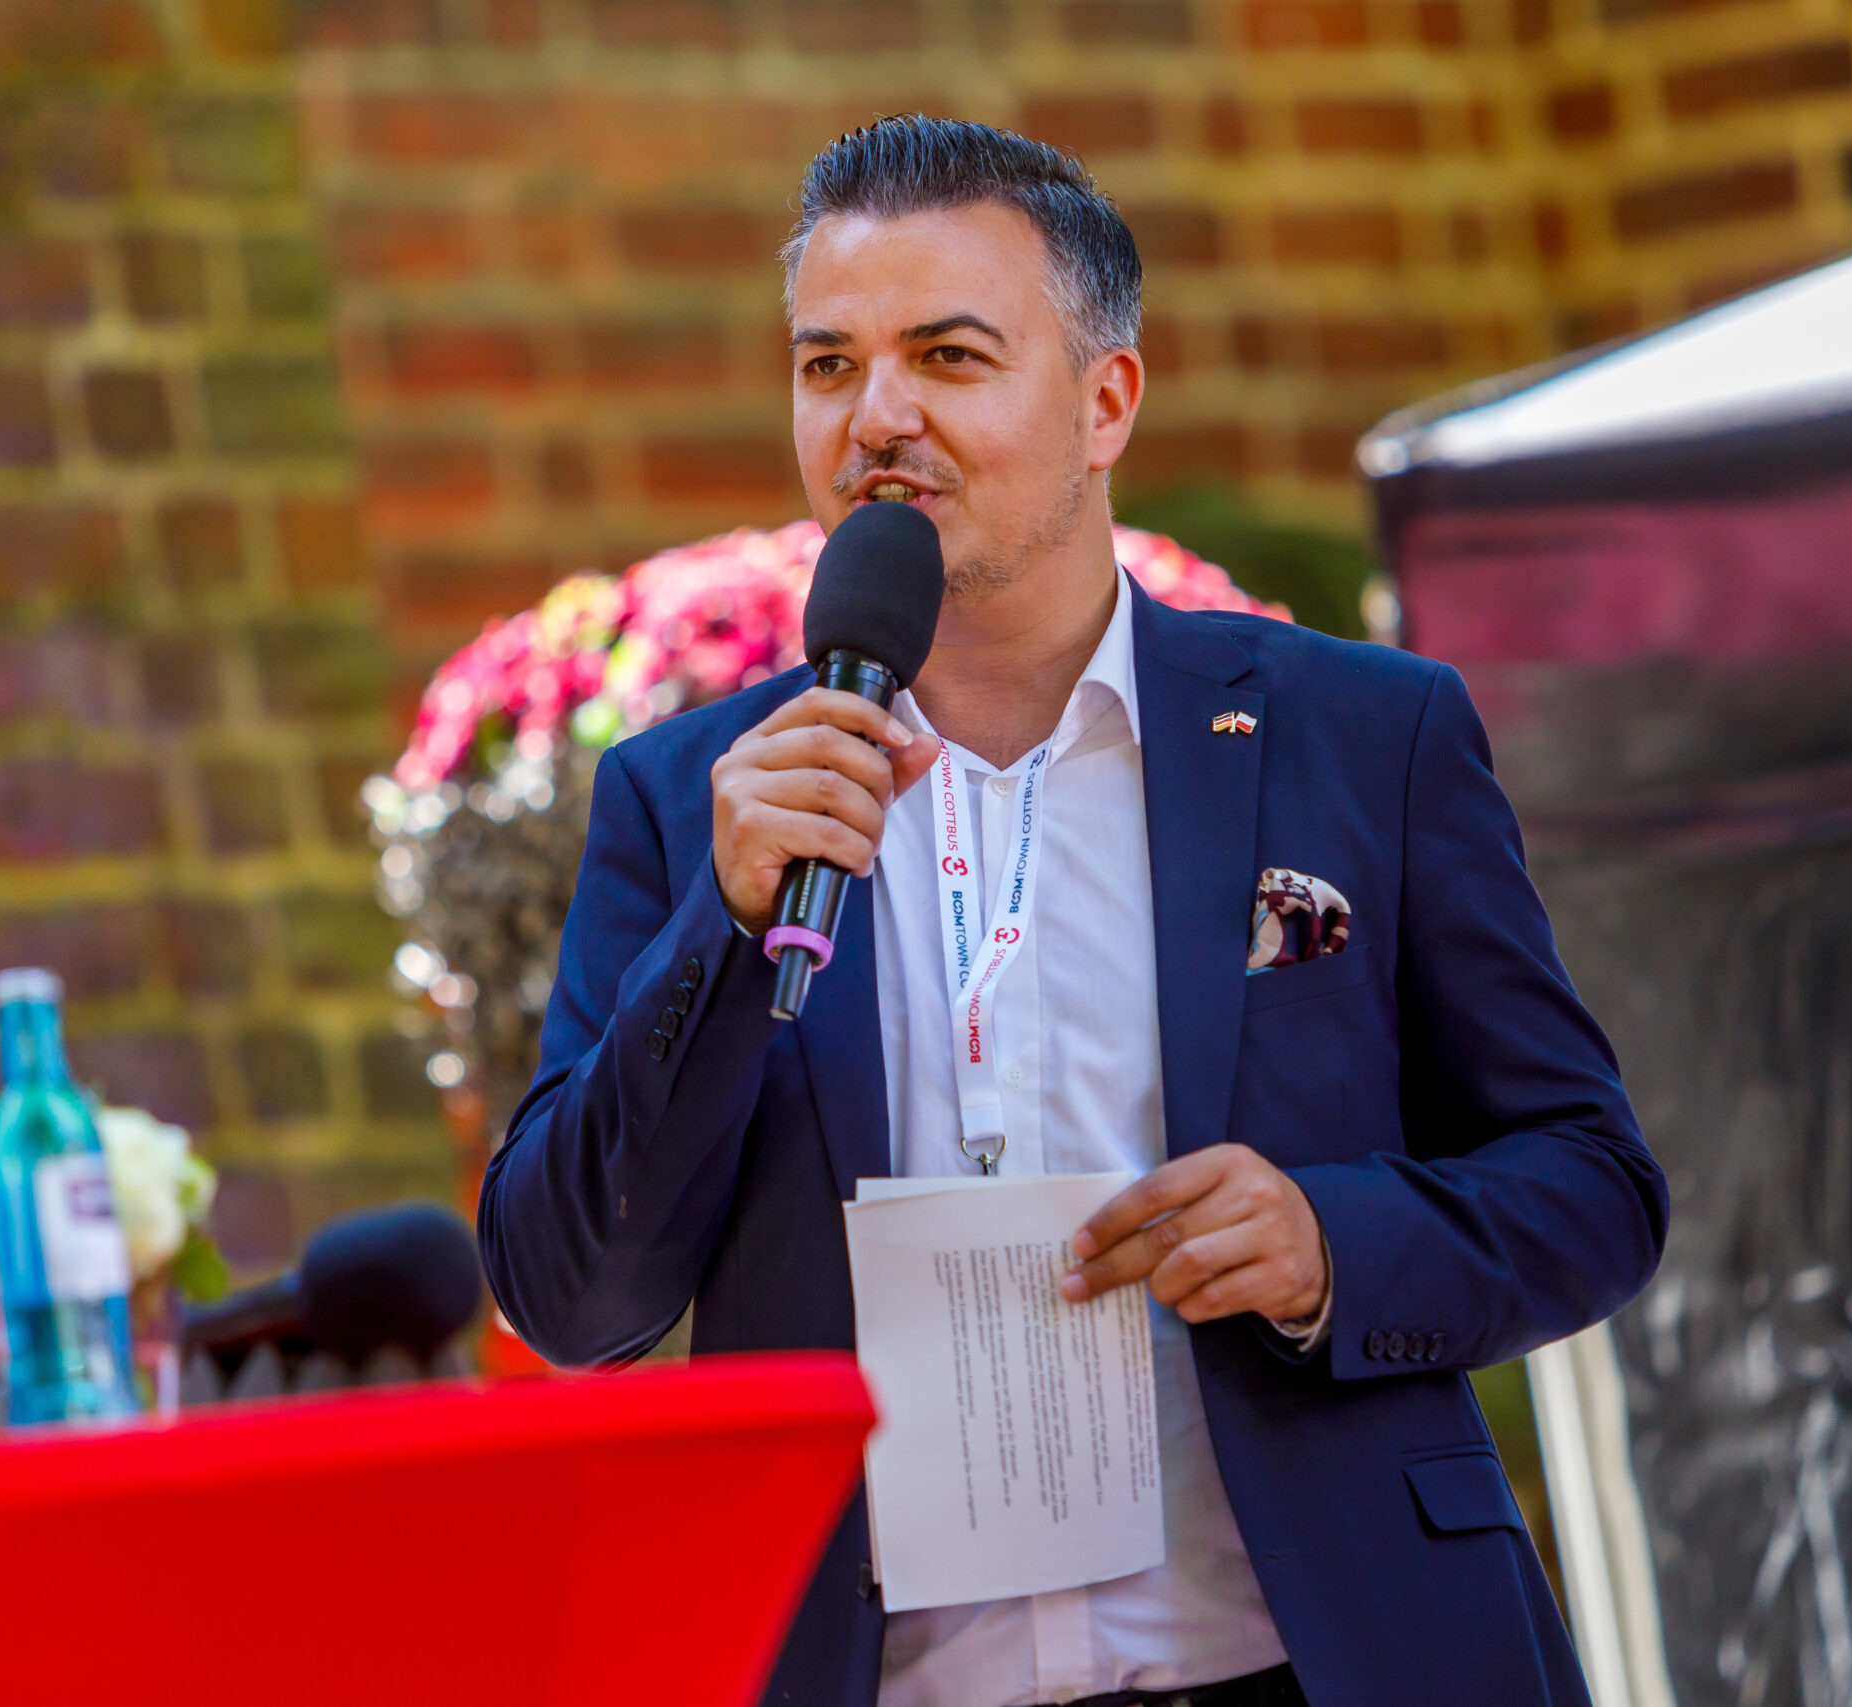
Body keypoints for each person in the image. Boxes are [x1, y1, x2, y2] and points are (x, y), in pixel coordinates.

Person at [478, 116, 1668, 1707]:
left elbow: (1593, 1188)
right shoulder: (692, 797)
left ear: (1106, 402)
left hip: (1320, 1668)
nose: (877, 418)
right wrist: (727, 921)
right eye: (828, 367)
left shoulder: (1359, 737)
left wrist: (1332, 1243)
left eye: (948, 357)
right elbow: (571, 1301)